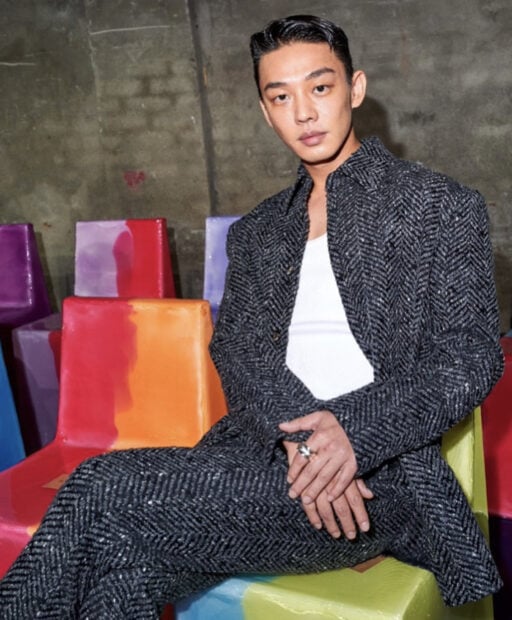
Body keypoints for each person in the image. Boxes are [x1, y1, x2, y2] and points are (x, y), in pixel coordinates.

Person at [0, 14, 504, 619]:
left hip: (381, 477)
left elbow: (469, 358)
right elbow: (238, 350)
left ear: (355, 89)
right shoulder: (259, 232)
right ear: (266, 112)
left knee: (96, 487)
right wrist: (305, 442)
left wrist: (351, 434)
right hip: (263, 455)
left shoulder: (439, 206)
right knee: (120, 570)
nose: (304, 112)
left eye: (320, 87)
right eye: (281, 97)